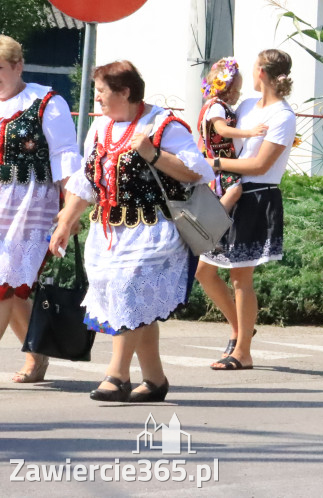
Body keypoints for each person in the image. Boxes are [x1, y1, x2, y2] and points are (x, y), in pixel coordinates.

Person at [49, 60, 213, 402]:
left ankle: (117, 375)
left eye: (101, 93)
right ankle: (154, 380)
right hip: (109, 231)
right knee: (134, 303)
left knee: (129, 292)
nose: (97, 100)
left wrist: (153, 154)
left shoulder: (164, 125)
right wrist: (65, 221)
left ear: (125, 92)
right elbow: (86, 181)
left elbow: (197, 172)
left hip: (154, 231)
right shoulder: (100, 129)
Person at [196, 50, 297, 371]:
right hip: (228, 191)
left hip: (256, 197)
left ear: (262, 73)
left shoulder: (283, 115)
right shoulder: (247, 106)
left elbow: (259, 164)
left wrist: (212, 163)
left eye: (253, 68)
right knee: (204, 271)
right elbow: (220, 136)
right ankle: (241, 330)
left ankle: (243, 351)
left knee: (241, 277)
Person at [0, 35, 81, 384]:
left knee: (4, 284)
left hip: (30, 206)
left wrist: (70, 212)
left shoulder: (47, 101)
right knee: (16, 289)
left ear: (19, 66)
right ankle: (38, 355)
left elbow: (65, 156)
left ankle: (37, 355)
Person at [197, 57, 267, 212]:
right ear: (225, 89)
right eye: (236, 90)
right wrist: (249, 133)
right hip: (219, 158)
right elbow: (222, 129)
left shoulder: (221, 106)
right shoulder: (217, 107)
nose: (238, 95)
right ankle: (215, 220)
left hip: (224, 158)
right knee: (235, 190)